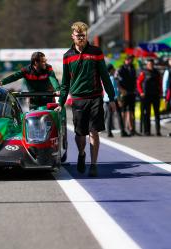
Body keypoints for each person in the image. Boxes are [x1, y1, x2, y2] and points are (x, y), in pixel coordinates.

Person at [54, 21, 116, 177]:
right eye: (78, 35)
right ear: (72, 36)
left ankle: (93, 164)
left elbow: (105, 76)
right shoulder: (67, 56)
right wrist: (61, 102)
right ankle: (82, 153)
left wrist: (112, 97)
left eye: (83, 35)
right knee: (80, 134)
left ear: (86, 35)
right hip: (78, 99)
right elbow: (65, 83)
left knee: (94, 132)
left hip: (95, 96)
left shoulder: (96, 52)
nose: (81, 38)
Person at [137, 59, 162, 136]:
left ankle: (158, 131)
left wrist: (160, 93)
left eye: (152, 64)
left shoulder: (157, 73)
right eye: (149, 64)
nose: (150, 66)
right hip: (146, 96)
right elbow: (138, 83)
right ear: (147, 65)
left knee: (157, 114)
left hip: (155, 95)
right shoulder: (143, 73)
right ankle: (147, 131)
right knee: (146, 114)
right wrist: (141, 92)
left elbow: (160, 83)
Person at [116, 54, 137, 136]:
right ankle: (123, 128)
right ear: (125, 60)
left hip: (131, 93)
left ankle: (131, 128)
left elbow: (135, 80)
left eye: (131, 59)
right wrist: (121, 90)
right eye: (129, 59)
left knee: (131, 111)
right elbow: (117, 81)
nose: (130, 61)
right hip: (123, 93)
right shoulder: (121, 69)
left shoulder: (133, 68)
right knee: (123, 111)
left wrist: (134, 89)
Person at [104, 64, 125, 137]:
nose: (114, 70)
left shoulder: (105, 78)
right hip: (113, 99)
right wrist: (118, 99)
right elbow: (114, 90)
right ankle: (122, 131)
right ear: (111, 70)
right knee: (118, 115)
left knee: (109, 116)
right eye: (113, 69)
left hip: (106, 99)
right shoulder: (112, 78)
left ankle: (109, 132)